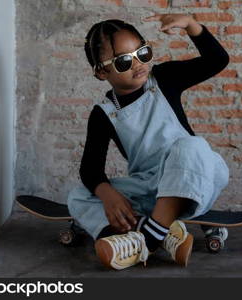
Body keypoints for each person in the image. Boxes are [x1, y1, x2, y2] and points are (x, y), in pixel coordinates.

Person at [67, 13, 230, 270]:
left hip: (195, 177)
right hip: (150, 187)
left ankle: (147, 238)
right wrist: (108, 194)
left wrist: (191, 25)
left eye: (142, 53)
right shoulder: (104, 113)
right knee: (78, 196)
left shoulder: (164, 79)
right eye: (123, 60)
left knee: (191, 145)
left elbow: (218, 60)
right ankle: (158, 232)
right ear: (101, 71)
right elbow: (90, 168)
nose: (138, 64)